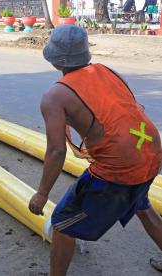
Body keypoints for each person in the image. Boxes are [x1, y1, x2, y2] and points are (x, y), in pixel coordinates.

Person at [28, 25, 162, 275]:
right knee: (141, 206)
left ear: (56, 62)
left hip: (119, 168)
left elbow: (57, 151)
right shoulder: (105, 71)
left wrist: (42, 194)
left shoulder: (55, 96)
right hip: (151, 152)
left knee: (62, 224)